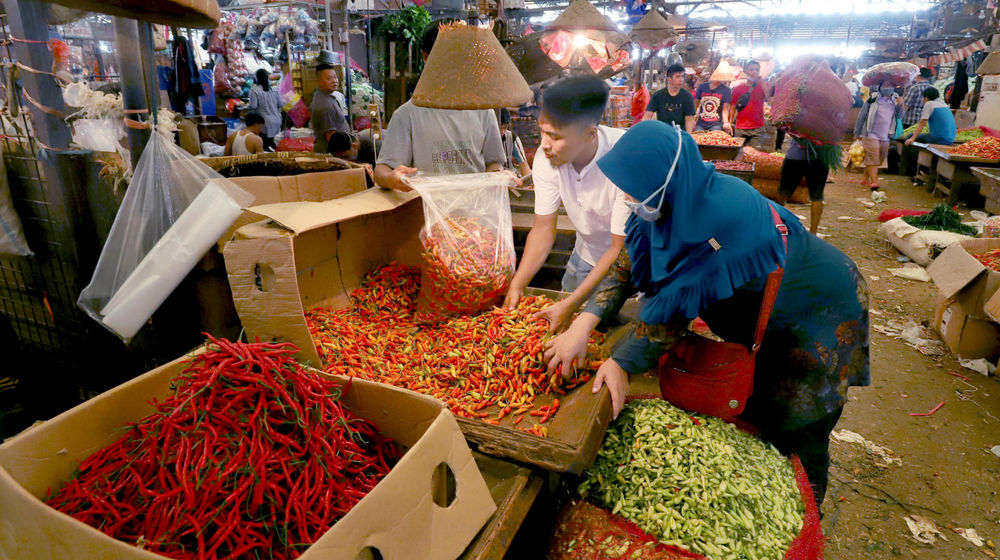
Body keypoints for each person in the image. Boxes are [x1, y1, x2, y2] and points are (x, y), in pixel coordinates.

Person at [544, 120, 869, 504]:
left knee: (799, 422)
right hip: (770, 309)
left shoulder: (721, 215)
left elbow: (672, 316)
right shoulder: (670, 201)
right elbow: (627, 264)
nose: (627, 195)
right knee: (759, 402)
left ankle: (805, 513)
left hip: (819, 310)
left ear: (662, 179)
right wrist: (583, 322)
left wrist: (620, 363)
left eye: (633, 187)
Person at [502, 75, 629, 334]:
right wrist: (518, 284)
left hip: (632, 260)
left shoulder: (624, 157)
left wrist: (572, 304)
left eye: (555, 136)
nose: (544, 145)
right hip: (587, 254)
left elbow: (619, 250)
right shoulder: (547, 158)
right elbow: (543, 228)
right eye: (542, 131)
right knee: (568, 332)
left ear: (589, 134)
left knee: (615, 334)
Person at [375, 20, 506, 191]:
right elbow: (381, 170)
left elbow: (494, 162)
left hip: (474, 212)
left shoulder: (482, 110)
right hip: (426, 212)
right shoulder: (407, 115)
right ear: (426, 56)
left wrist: (498, 176)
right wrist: (391, 178)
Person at [854, 83, 902, 191]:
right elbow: (862, 116)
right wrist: (856, 133)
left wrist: (900, 106)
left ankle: (865, 178)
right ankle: (874, 182)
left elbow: (900, 116)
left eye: (889, 86)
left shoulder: (895, 101)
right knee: (873, 156)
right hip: (870, 133)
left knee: (879, 158)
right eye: (885, 85)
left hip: (886, 135)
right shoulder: (872, 100)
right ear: (880, 87)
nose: (887, 88)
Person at [778, 136, 828, 234]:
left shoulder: (800, 120)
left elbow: (785, 125)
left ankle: (777, 224)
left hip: (796, 155)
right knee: (817, 196)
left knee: (783, 191)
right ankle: (813, 232)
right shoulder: (831, 120)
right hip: (821, 157)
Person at [310, 63, 351, 153]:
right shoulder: (325, 104)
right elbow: (331, 138)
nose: (334, 81)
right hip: (332, 154)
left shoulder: (325, 96)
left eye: (335, 77)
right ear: (319, 81)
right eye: (329, 78)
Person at [642, 63, 696, 132]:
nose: (681, 80)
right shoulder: (658, 95)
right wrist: (642, 131)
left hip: (680, 134)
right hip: (662, 133)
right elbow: (647, 116)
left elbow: (689, 119)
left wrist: (688, 138)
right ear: (669, 79)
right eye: (677, 77)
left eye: (682, 76)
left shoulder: (687, 96)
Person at [730, 60, 771, 149]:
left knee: (755, 155)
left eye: (757, 69)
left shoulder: (763, 85)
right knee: (738, 154)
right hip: (741, 127)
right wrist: (729, 123)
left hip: (757, 127)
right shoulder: (738, 88)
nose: (754, 72)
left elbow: (768, 97)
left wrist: (761, 81)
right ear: (746, 72)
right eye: (751, 69)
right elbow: (732, 107)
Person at [248, 68, 283, 151]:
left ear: (257, 78)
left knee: (266, 148)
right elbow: (280, 105)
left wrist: (246, 108)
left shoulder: (254, 90)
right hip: (277, 121)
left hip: (265, 123)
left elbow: (253, 106)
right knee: (275, 145)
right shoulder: (274, 90)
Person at [693, 68, 733, 133]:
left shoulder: (726, 90)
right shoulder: (702, 87)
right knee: (697, 139)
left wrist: (726, 122)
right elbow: (696, 103)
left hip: (716, 124)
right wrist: (692, 118)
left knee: (714, 139)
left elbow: (725, 109)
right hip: (701, 123)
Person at [500, 108, 531, 177]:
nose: (502, 132)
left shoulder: (512, 138)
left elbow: (524, 166)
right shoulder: (487, 138)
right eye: (500, 128)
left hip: (511, 177)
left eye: (504, 128)